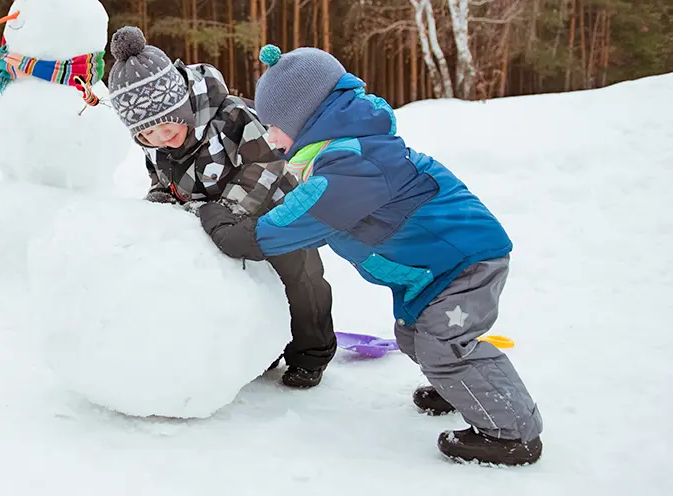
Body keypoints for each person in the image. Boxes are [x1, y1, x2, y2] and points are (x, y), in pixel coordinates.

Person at [198, 44, 543, 466]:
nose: (269, 136)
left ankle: (511, 434)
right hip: (434, 269)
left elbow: (290, 223)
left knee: (442, 344)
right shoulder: (340, 152)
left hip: (464, 260)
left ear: (302, 118)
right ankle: (464, 386)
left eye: (273, 125)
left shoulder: (352, 162)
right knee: (414, 337)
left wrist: (232, 227)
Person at [106, 27, 337, 388]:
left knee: (301, 278)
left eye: (167, 125)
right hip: (223, 225)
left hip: (278, 211)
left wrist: (230, 209)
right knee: (247, 286)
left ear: (181, 105)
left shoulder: (230, 117)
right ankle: (263, 346)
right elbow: (163, 180)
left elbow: (267, 164)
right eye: (148, 134)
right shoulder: (158, 147)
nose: (162, 138)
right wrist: (161, 203)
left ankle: (312, 351)